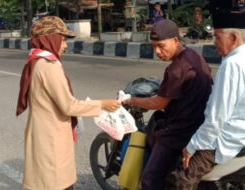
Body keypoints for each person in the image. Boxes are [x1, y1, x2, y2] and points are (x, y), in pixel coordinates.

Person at [16, 16, 120, 190]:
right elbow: (69, 106)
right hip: (51, 137)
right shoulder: (49, 65)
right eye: (62, 40)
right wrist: (102, 104)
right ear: (51, 38)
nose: (65, 45)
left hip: (43, 133)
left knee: (46, 182)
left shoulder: (36, 61)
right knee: (57, 183)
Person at [122, 19, 213, 190]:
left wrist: (131, 100)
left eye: (161, 46)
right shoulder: (195, 56)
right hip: (198, 124)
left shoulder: (176, 69)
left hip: (178, 132)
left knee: (149, 178)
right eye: (154, 46)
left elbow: (158, 102)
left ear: (176, 41)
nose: (157, 51)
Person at [173, 10, 245, 190]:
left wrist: (192, 147)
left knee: (181, 178)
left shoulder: (232, 64)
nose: (214, 43)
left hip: (229, 138)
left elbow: (216, 119)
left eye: (218, 37)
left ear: (234, 38)